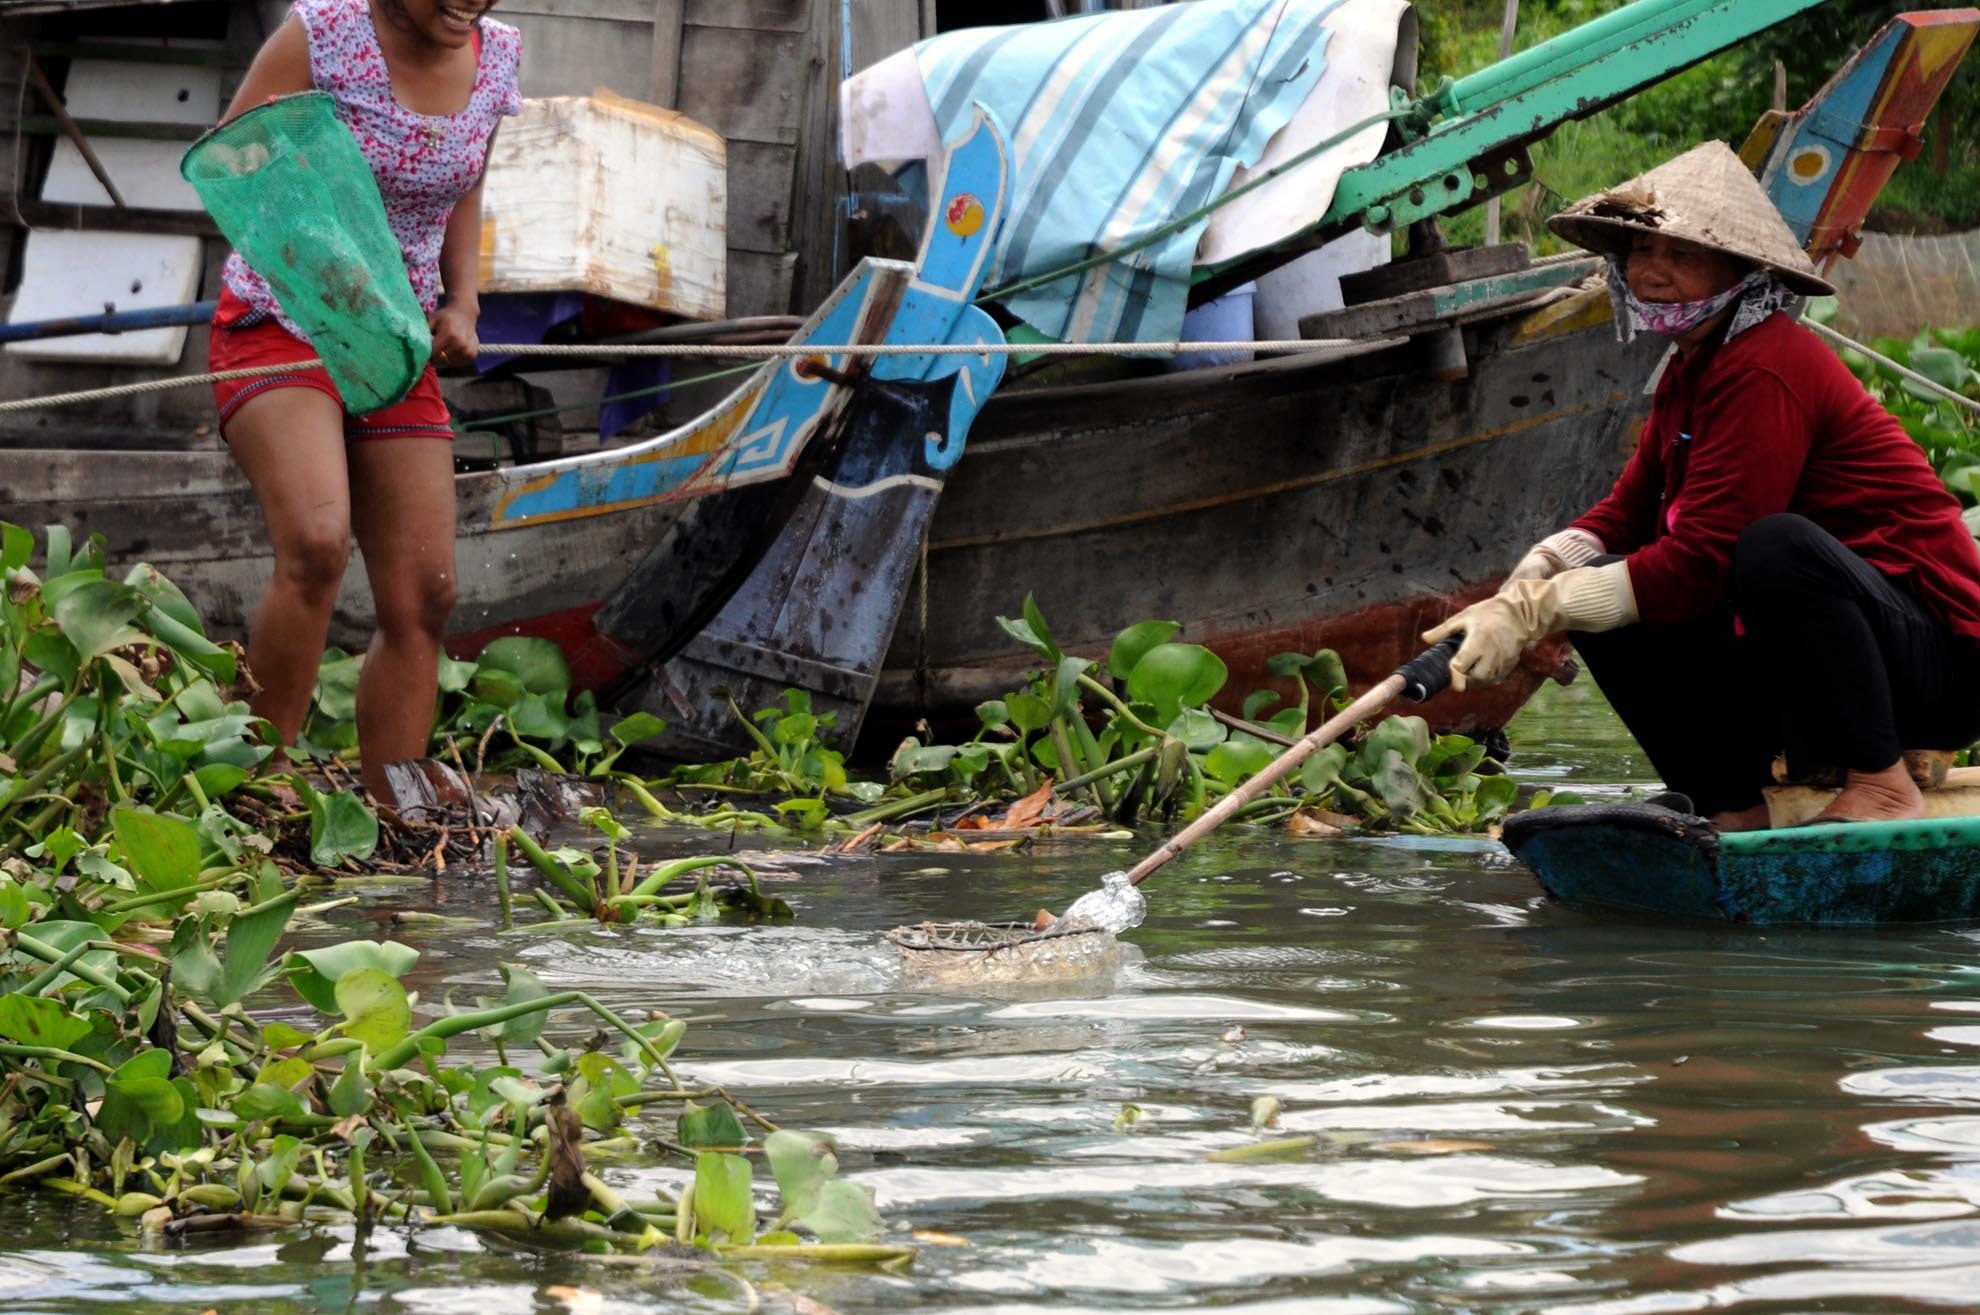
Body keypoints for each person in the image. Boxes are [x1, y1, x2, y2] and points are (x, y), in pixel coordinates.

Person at [1424, 141, 1980, 832]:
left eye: (1682, 256)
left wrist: (1542, 610)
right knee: (1599, 586)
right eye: (1640, 252)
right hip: (1818, 657)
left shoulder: (1766, 363)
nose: (1653, 272)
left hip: (1939, 660)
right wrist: (1526, 587)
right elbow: (1627, 511)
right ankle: (1730, 803)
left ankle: (1881, 782)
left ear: (1738, 272)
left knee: (1775, 547)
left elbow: (1706, 560)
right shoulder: (1695, 367)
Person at [210, 0, 522, 798]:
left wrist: (463, 303)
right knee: (318, 539)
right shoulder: (323, 33)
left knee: (426, 592)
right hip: (282, 318)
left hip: (393, 342)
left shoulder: (499, 56)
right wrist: (319, 255)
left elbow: (469, 181)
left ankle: (395, 798)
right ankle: (259, 785)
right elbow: (230, 164)